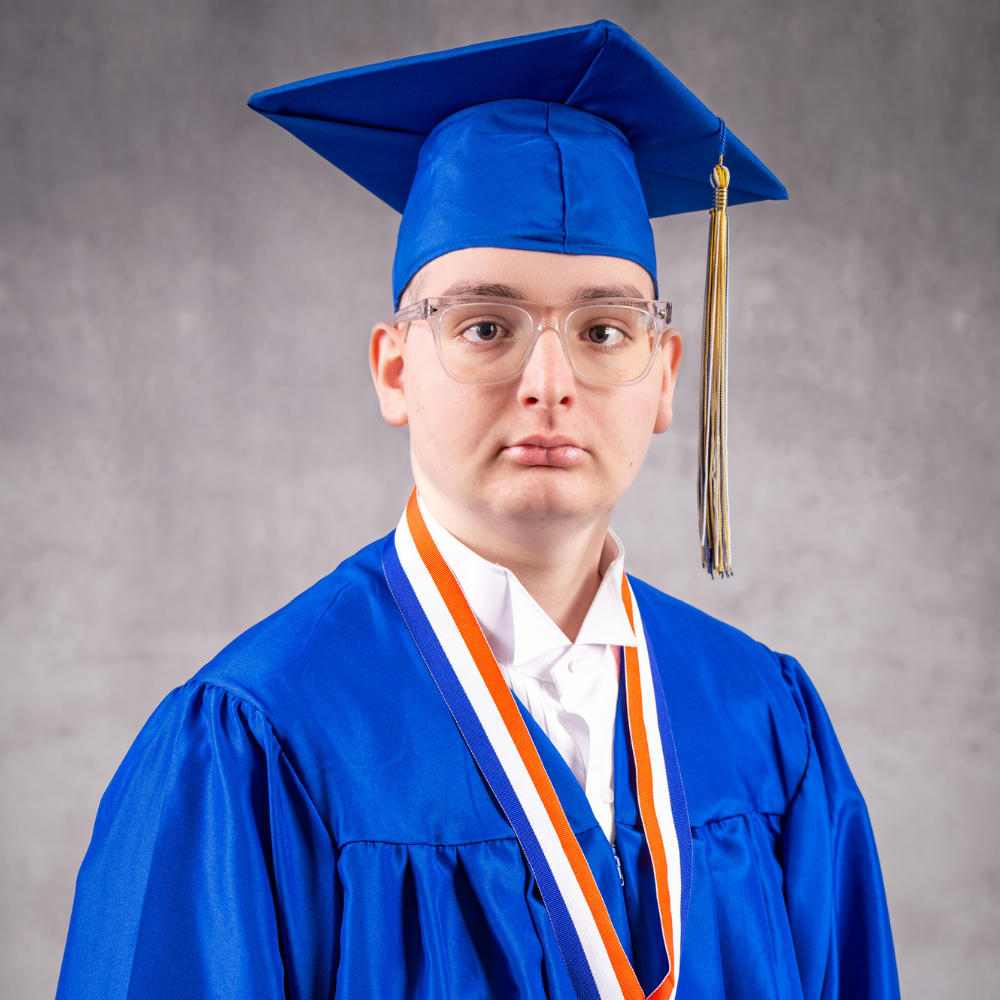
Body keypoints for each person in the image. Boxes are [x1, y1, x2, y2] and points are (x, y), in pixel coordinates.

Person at [55, 21, 900, 1000]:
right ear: (393, 368)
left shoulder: (765, 723)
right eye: (486, 327)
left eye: (603, 328)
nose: (549, 381)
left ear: (666, 377)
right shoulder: (252, 745)